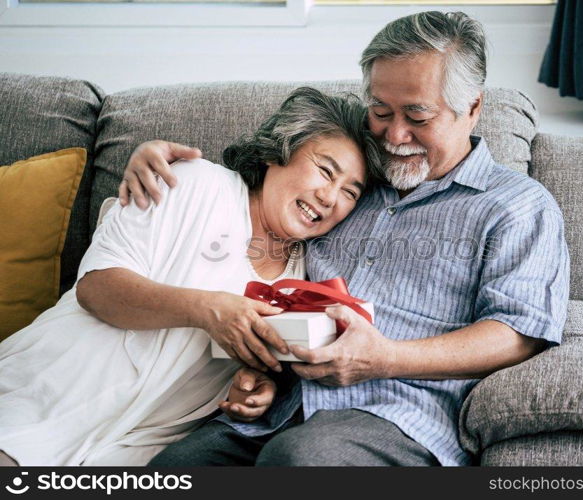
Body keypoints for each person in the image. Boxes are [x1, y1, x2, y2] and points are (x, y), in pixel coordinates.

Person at [121, 11, 571, 467]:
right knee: (173, 470)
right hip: (277, 410)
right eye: (380, 111)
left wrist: (386, 358)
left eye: (417, 115)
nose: (394, 136)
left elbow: (520, 334)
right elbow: (257, 186)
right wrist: (155, 156)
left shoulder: (516, 206)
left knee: (299, 458)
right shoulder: (350, 184)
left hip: (397, 418)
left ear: (472, 108)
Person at [0, 87, 382, 466]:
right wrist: (206, 309)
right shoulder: (194, 183)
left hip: (139, 447)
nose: (330, 197)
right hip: (50, 393)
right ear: (276, 152)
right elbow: (97, 288)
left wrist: (255, 388)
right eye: (325, 171)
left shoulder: (306, 279)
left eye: (350, 192)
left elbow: (255, 369)